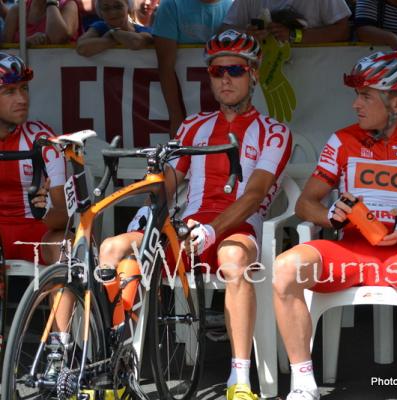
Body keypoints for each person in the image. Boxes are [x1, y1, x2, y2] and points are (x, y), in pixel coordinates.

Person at [99, 29, 292, 400]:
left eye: (235, 70)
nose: (225, 79)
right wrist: (147, 212)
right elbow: (169, 184)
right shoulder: (193, 126)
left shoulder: (274, 132)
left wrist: (210, 230)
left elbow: (253, 195)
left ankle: (240, 380)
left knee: (233, 257)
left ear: (254, 73)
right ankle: (118, 368)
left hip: (237, 227)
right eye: (217, 72)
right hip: (187, 228)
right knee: (112, 249)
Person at [272, 50, 397, 400]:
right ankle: (303, 384)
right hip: (351, 249)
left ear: (396, 101)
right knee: (285, 270)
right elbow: (305, 202)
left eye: (366, 96)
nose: (356, 105)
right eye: (356, 96)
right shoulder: (343, 139)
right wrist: (331, 217)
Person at [0, 51, 73, 373]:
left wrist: (43, 211)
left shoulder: (42, 138)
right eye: (10, 92)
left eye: (24, 89)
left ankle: (61, 351)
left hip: (35, 230)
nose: (22, 99)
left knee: (68, 249)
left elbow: (65, 212)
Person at [152, 0, 233, 137]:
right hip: (186, 111)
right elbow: (165, 66)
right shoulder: (171, 5)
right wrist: (176, 116)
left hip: (227, 111)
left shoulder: (235, 6)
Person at [221, 0, 352, 44]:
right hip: (261, 82)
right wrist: (246, 34)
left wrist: (294, 35)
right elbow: (224, 30)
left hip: (316, 78)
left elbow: (343, 30)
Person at [76, 0, 156, 56]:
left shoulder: (143, 30)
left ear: (128, 7)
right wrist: (118, 38)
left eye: (118, 6)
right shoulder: (99, 27)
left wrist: (113, 33)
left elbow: (136, 42)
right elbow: (81, 48)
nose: (112, 12)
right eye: (106, 8)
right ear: (100, 13)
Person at [3, 0, 81, 45]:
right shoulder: (17, 11)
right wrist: (27, 43)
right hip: (24, 71)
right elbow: (6, 52)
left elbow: (58, 38)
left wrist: (51, 2)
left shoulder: (68, 5)